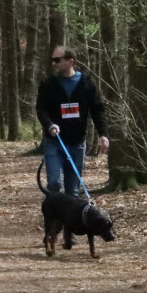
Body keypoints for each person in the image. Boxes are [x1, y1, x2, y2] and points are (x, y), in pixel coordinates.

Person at [35, 46, 109, 195]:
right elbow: (41, 109)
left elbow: (97, 109)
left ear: (70, 62)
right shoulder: (48, 83)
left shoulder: (87, 83)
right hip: (54, 142)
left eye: (57, 60)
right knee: (54, 183)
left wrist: (103, 134)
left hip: (77, 143)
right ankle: (54, 217)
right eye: (52, 60)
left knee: (72, 189)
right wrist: (49, 125)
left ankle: (70, 218)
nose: (54, 63)